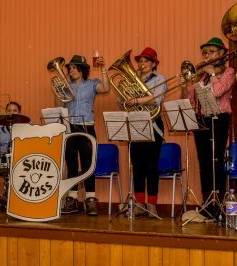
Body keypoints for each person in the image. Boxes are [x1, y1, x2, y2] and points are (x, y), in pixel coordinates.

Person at [181, 37, 235, 212]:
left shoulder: (229, 72)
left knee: (216, 160)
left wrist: (212, 73)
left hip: (219, 119)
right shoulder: (200, 77)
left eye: (211, 52)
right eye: (205, 52)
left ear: (221, 54)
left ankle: (217, 202)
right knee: (203, 162)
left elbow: (218, 91)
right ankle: (206, 202)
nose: (206, 55)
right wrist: (185, 85)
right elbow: (189, 100)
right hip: (202, 119)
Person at [117, 47, 166, 217]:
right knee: (137, 167)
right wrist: (125, 97)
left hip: (153, 125)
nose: (142, 64)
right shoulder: (132, 79)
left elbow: (157, 99)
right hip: (135, 125)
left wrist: (137, 99)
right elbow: (121, 102)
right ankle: (139, 204)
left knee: (151, 167)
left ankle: (152, 205)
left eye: (146, 61)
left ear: (153, 64)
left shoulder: (160, 79)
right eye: (140, 61)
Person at [59, 54, 109, 216]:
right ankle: (72, 199)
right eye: (69, 68)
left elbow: (106, 88)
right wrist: (59, 89)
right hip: (69, 127)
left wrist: (103, 70)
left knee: (88, 164)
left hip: (87, 127)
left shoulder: (92, 84)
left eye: (73, 68)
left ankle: (90, 199)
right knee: (71, 163)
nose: (71, 70)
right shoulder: (67, 86)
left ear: (82, 69)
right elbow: (58, 105)